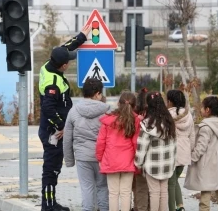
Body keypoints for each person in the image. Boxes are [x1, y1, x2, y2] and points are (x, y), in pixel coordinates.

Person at [38, 25, 92, 211]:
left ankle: (51, 203)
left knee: (54, 168)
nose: (69, 62)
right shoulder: (52, 83)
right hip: (53, 131)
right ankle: (48, 206)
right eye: (68, 62)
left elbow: (65, 48)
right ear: (63, 65)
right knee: (51, 169)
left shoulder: (49, 65)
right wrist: (62, 126)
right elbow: (48, 108)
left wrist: (82, 36)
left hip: (54, 129)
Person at [63, 78, 110, 211]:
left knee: (87, 188)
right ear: (97, 94)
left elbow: (67, 138)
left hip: (83, 157)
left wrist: (69, 160)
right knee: (102, 187)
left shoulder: (73, 111)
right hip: (102, 157)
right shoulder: (107, 111)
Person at [184, 96, 218, 211]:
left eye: (202, 107)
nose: (200, 109)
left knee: (206, 190)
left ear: (208, 110)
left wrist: (192, 158)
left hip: (209, 162)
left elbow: (201, 147)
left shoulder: (206, 127)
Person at [96, 91, 141, 211]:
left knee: (113, 193)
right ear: (134, 105)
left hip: (111, 160)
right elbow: (136, 142)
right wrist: (138, 159)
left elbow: (101, 142)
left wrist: (100, 158)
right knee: (126, 193)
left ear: (118, 103)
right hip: (128, 160)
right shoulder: (136, 120)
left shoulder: (108, 120)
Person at [134, 91, 177, 211]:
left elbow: (142, 147)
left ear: (148, 105)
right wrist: (173, 162)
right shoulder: (170, 122)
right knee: (164, 192)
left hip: (152, 166)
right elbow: (174, 144)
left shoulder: (147, 125)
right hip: (167, 165)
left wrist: (138, 163)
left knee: (154, 193)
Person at [166, 90, 195, 211]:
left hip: (171, 151)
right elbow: (192, 135)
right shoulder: (189, 115)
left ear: (170, 101)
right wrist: (190, 150)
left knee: (170, 183)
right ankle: (180, 206)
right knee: (174, 180)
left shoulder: (167, 115)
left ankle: (172, 208)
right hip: (184, 152)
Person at [133, 87, 150, 211]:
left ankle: (139, 208)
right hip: (151, 157)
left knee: (139, 188)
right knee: (150, 188)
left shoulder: (134, 117)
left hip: (136, 155)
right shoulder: (153, 116)